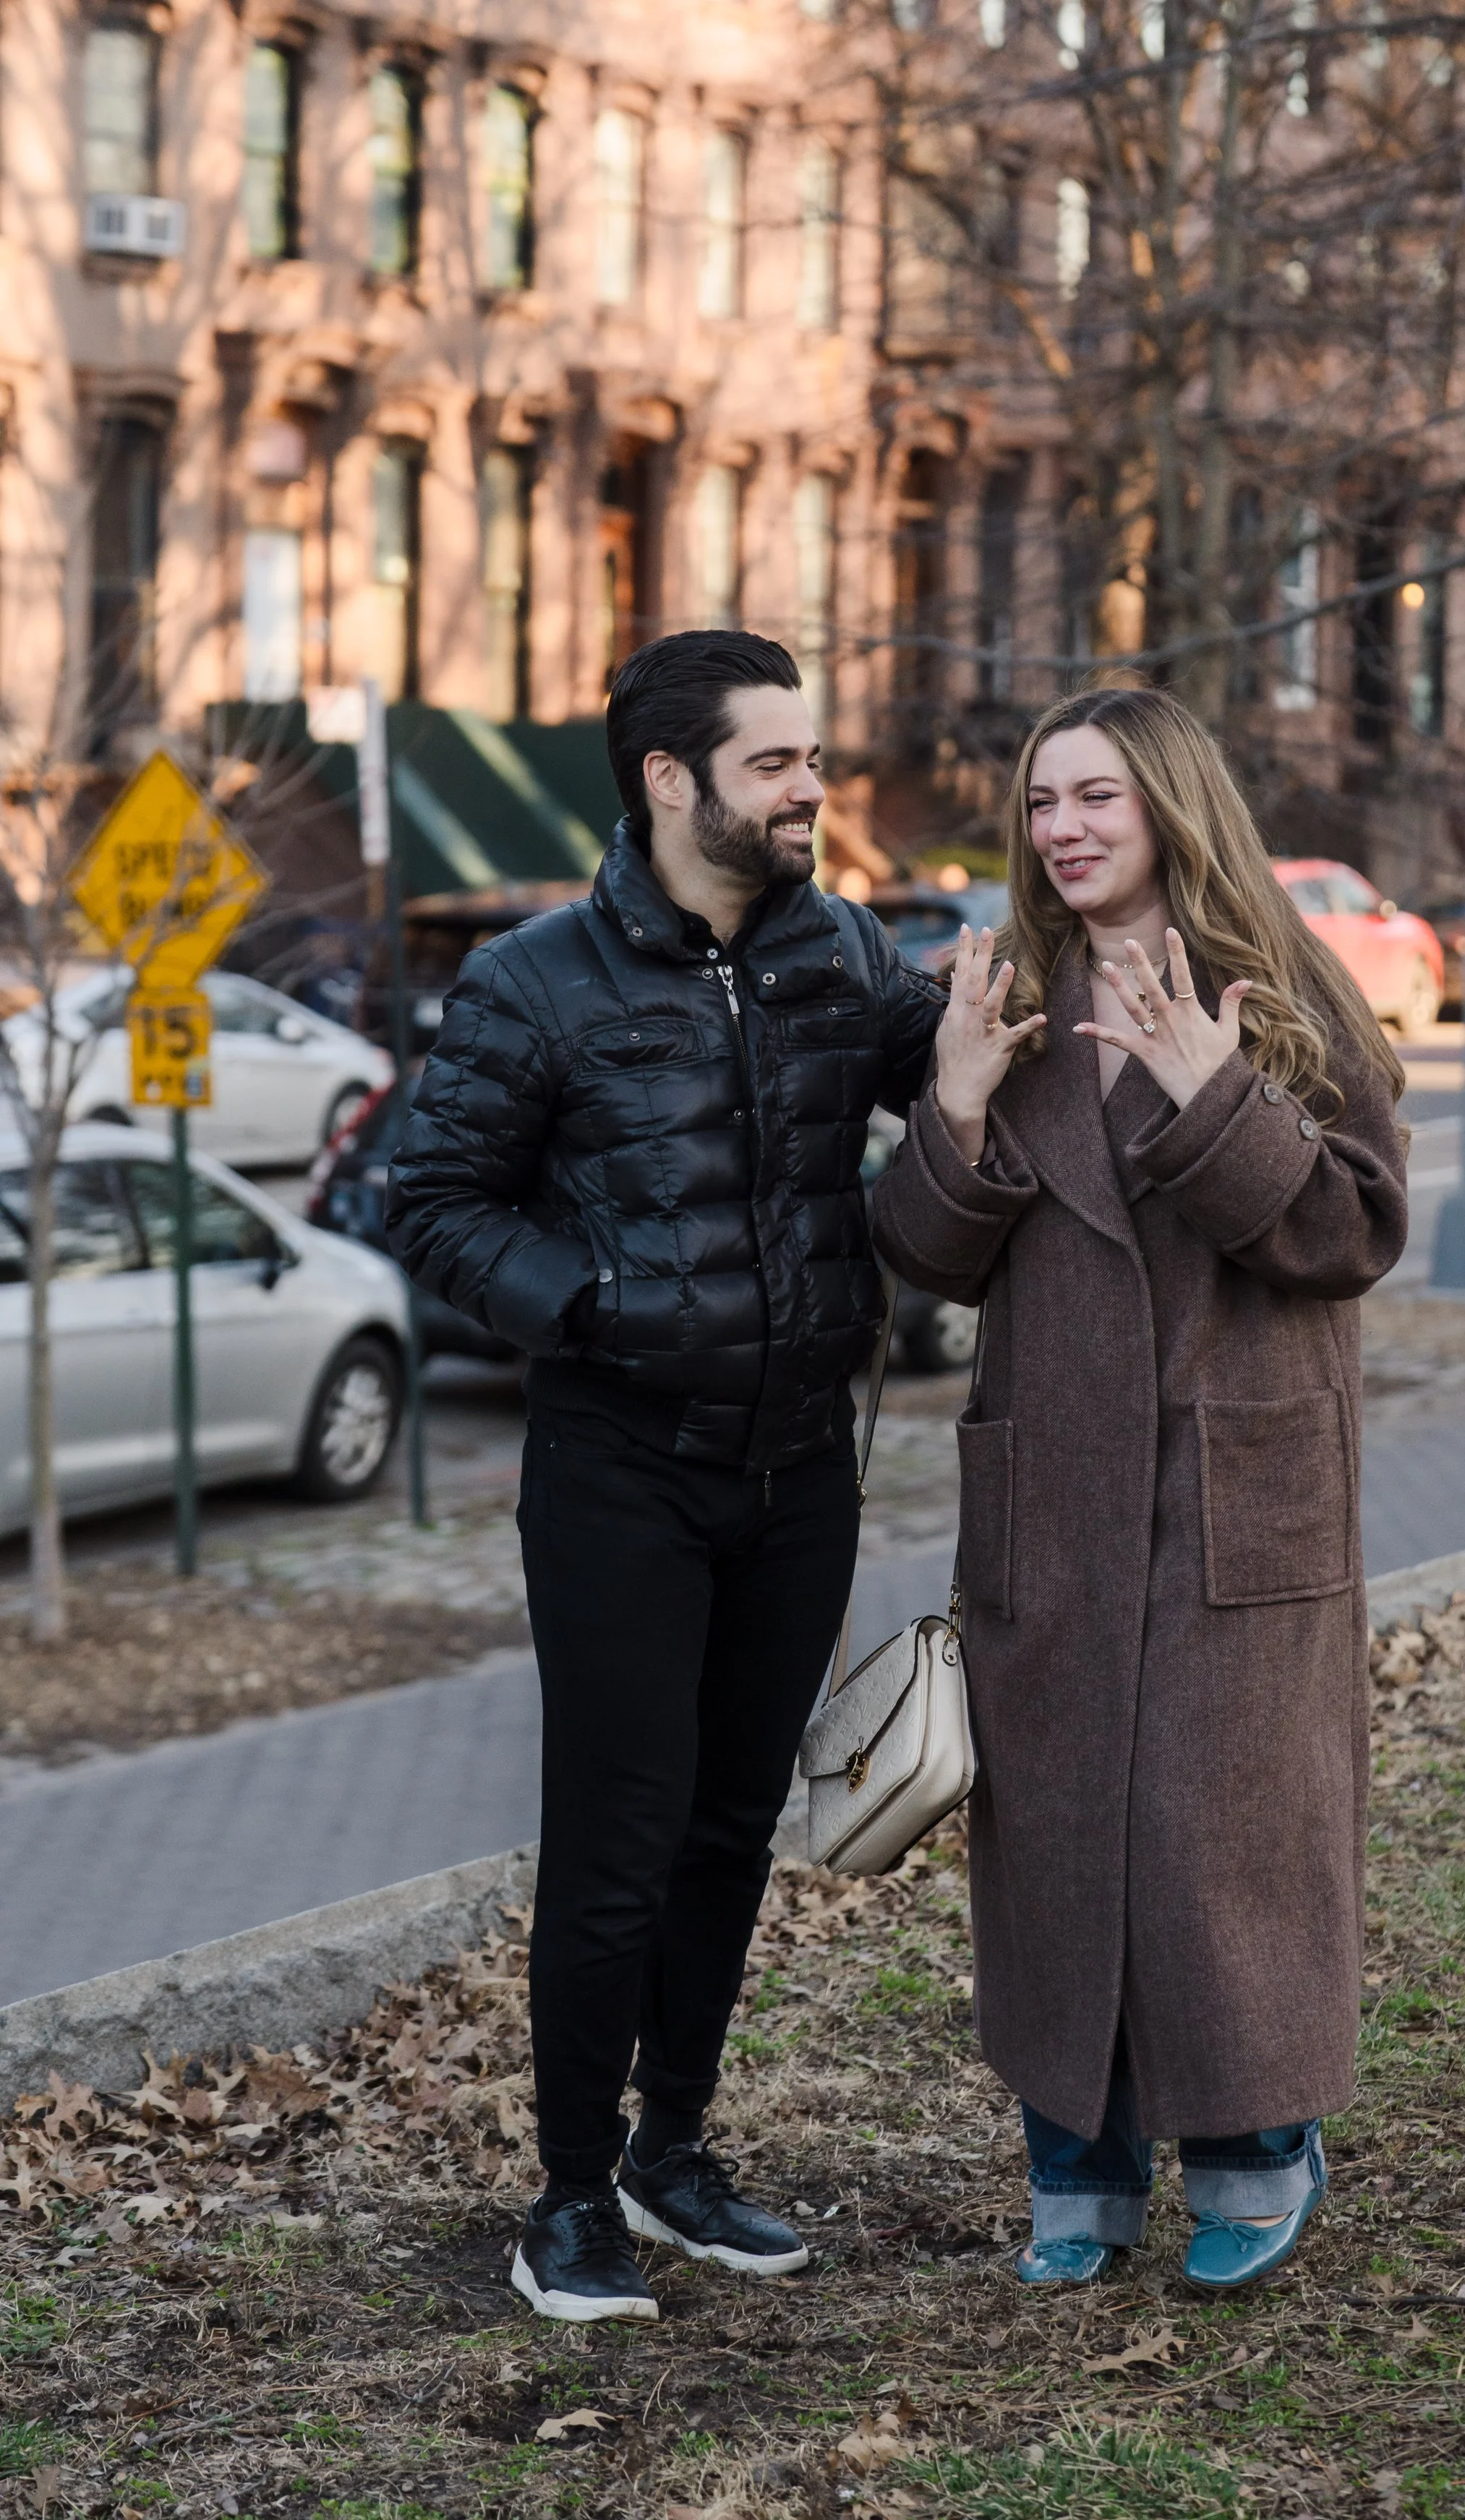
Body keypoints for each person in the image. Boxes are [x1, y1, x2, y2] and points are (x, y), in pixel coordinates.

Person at [385, 630, 942, 2323]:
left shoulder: (842, 954)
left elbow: (979, 1077)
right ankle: (566, 2199)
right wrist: (602, 1308)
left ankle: (673, 2153)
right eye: (778, 762)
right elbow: (428, 1205)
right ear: (669, 779)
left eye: (814, 759)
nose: (811, 788)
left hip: (798, 1469)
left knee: (726, 1832)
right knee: (615, 1843)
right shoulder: (535, 981)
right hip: (620, 1468)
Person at [871, 685, 1409, 2294]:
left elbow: (1347, 1238)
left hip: (1240, 1489)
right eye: (1042, 804)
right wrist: (954, 1104)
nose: (1064, 831)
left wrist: (1208, 1093)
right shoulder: (1001, 997)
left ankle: (1254, 2139)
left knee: (1214, 1832)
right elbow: (923, 1261)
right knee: (1050, 1835)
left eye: (1094, 797)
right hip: (1053, 1491)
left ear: (1170, 804)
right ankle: (1076, 2156)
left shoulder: (1289, 989)